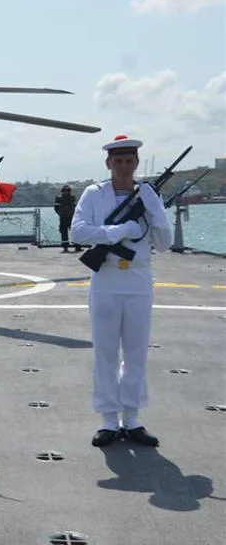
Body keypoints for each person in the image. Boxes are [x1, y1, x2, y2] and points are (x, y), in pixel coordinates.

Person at [71, 135, 171, 448]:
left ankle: (132, 418)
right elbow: (78, 230)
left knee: (136, 351)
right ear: (108, 163)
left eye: (129, 161)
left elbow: (165, 243)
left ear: (137, 163)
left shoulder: (148, 196)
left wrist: (155, 208)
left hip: (139, 280)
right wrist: (117, 231)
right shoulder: (94, 193)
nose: (124, 166)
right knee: (104, 352)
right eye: (118, 161)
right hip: (107, 279)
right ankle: (107, 420)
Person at [54, 185, 80, 253]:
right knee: (64, 232)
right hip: (64, 217)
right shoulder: (58, 198)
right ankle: (65, 247)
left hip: (71, 217)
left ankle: (77, 246)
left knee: (74, 232)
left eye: (68, 190)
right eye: (65, 190)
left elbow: (75, 206)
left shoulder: (72, 197)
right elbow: (56, 208)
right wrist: (60, 214)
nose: (66, 192)